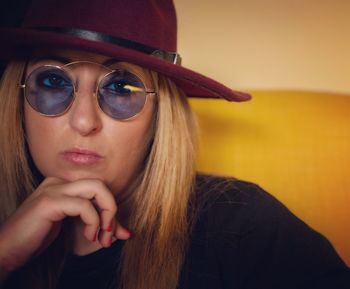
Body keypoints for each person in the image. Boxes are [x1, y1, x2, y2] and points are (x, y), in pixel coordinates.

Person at [0, 0, 349, 289]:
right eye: (52, 80)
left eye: (122, 88)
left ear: (159, 115)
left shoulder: (240, 224)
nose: (83, 121)